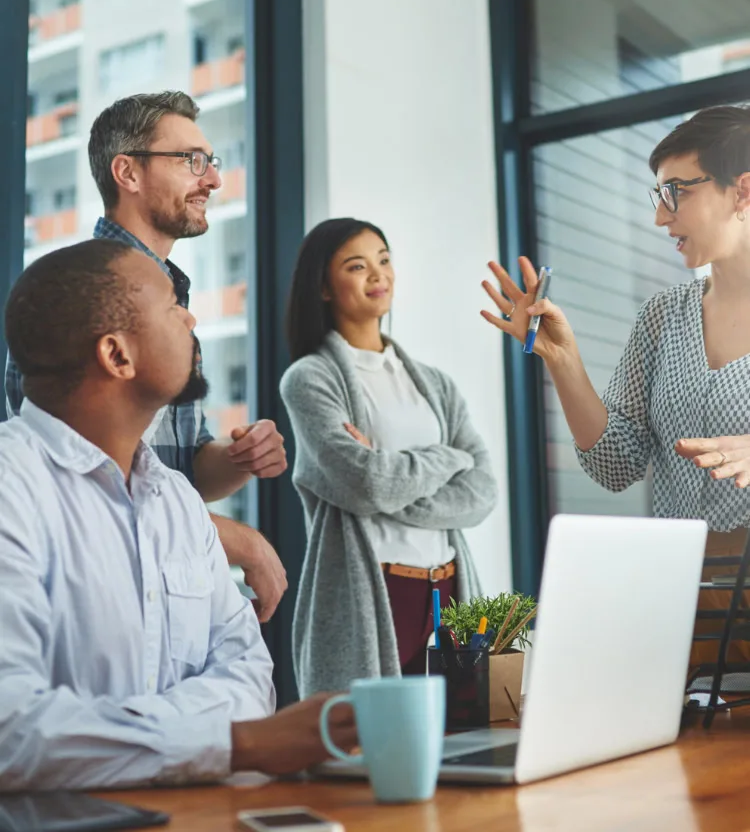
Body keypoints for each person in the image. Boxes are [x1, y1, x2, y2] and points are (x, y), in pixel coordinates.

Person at [0, 240, 356, 790]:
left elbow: (250, 676)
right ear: (117, 356)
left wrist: (128, 740)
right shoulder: (11, 486)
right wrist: (236, 744)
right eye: (172, 305)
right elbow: (12, 731)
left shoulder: (178, 499)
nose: (190, 316)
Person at [480, 104, 750, 665]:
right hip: (683, 610)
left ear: (742, 191)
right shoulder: (663, 316)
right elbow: (616, 464)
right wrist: (563, 359)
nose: (660, 218)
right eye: (659, 196)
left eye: (677, 191)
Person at [6, 91, 288, 623]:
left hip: (168, 585)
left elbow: (184, 468)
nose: (213, 180)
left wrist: (237, 459)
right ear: (127, 173)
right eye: (191, 160)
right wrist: (233, 538)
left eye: (212, 162)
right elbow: (74, 484)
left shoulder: (175, 303)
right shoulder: (72, 295)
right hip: (97, 597)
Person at [280, 218, 498, 696]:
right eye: (357, 266)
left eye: (384, 260)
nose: (379, 275)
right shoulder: (309, 379)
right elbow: (368, 485)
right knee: (371, 753)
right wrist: (448, 458)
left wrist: (389, 475)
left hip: (450, 587)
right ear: (322, 287)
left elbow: (483, 493)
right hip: (375, 591)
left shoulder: (435, 383)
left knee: (471, 747)